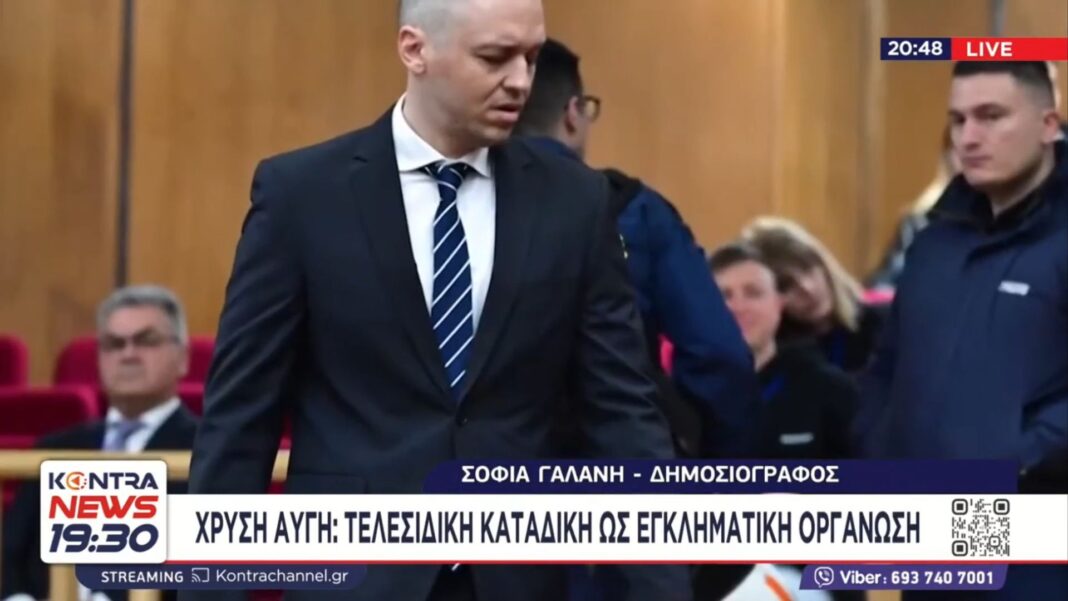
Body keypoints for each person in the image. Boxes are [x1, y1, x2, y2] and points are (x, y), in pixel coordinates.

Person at [185, 1, 689, 600]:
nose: (521, 81)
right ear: (415, 49)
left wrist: (662, 587)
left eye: (531, 58)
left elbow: (622, 413)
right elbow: (241, 419)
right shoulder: (302, 196)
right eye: (495, 57)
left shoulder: (576, 203)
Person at [855, 61, 1068, 600]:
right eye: (958, 120)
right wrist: (881, 449)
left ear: (1048, 124)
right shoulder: (932, 245)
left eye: (991, 116)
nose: (969, 138)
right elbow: (888, 366)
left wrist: (1014, 458)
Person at [513, 37, 757, 458]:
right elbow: (718, 355)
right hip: (621, 461)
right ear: (573, 113)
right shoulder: (635, 212)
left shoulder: (444, 205)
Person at [1, 285, 199, 601]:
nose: (128, 354)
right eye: (114, 344)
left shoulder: (205, 450)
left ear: (183, 358)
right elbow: (10, 555)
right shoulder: (55, 449)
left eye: (146, 341)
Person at [709, 243, 857, 460]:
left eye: (753, 293)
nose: (738, 307)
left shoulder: (831, 391)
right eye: (724, 295)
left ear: (779, 303)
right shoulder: (681, 399)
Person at [742, 217, 885, 374]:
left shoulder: (887, 325)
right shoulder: (772, 361)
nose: (807, 288)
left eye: (807, 267)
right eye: (785, 285)